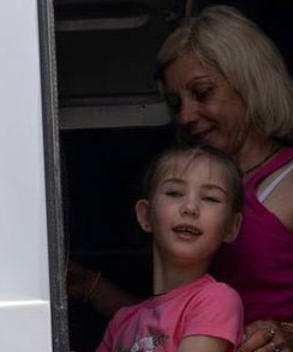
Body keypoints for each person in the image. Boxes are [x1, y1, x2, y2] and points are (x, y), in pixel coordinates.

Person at [75, 5, 293, 352]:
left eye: (202, 93)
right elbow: (163, 329)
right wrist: (90, 286)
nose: (186, 116)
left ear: (249, 82)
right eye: (175, 103)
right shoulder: (189, 197)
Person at [96, 146, 247, 352]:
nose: (190, 208)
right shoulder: (122, 322)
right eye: (174, 193)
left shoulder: (216, 299)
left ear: (231, 227)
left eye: (210, 198)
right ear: (145, 215)